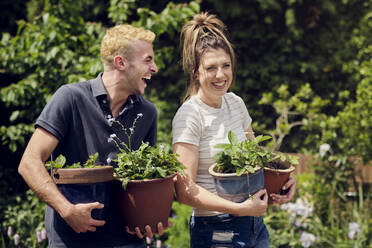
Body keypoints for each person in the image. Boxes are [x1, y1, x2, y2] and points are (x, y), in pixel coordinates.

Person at [18, 24, 161, 248]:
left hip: (127, 242)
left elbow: (144, 182)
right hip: (70, 240)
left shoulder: (148, 113)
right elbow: (29, 163)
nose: (155, 68)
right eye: (147, 60)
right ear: (120, 62)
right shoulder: (70, 98)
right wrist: (67, 210)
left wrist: (149, 218)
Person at [172, 13, 297, 248]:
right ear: (195, 72)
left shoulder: (235, 103)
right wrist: (240, 208)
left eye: (226, 65)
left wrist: (285, 180)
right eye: (211, 68)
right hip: (217, 230)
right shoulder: (190, 115)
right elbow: (185, 191)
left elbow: (256, 160)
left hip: (254, 226)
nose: (221, 75)